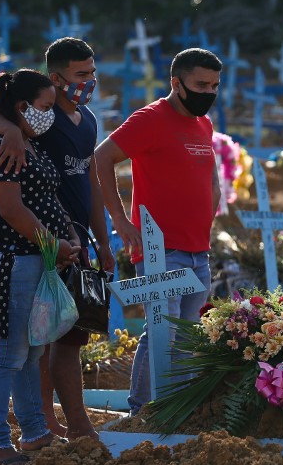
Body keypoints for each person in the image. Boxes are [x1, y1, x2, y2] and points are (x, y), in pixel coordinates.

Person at [0, 37, 115, 440]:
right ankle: (41, 426)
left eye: (92, 72)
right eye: (81, 74)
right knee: (28, 347)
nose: (90, 81)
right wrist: (9, 131)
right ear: (56, 78)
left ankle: (50, 426)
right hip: (31, 249)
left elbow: (89, 180)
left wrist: (98, 240)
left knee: (61, 337)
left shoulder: (83, 120)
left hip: (68, 245)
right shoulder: (30, 127)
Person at [95, 48, 222, 415]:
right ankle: (142, 414)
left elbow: (209, 178)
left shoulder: (204, 125)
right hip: (159, 250)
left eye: (214, 86)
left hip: (198, 250)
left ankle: (176, 411)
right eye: (201, 84)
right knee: (161, 334)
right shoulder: (150, 119)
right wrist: (120, 220)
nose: (208, 92)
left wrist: (208, 212)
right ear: (176, 83)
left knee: (186, 337)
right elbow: (102, 158)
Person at [0, 69, 82, 465]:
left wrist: (68, 238)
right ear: (22, 107)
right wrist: (56, 244)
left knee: (33, 351)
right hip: (15, 260)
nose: (49, 115)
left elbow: (49, 199)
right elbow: (12, 210)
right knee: (8, 352)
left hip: (42, 258)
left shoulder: (28, 144)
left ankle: (35, 431)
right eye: (45, 107)